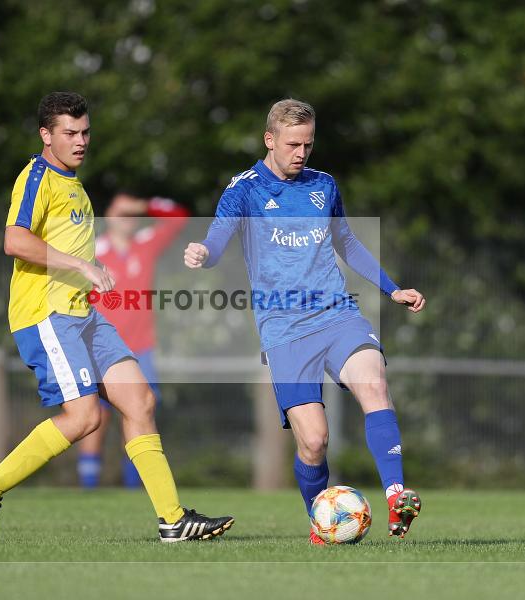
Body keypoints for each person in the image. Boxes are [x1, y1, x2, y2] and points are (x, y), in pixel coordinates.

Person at [0, 91, 233, 543]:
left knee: (140, 400)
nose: (81, 141)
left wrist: (85, 273)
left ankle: (173, 519)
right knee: (85, 417)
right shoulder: (37, 178)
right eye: (70, 133)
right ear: (46, 135)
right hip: (47, 316)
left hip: (83, 314)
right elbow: (13, 241)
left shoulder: (76, 184)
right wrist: (81, 264)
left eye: (85, 132)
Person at [184, 99, 425, 544]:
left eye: (308, 145)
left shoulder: (324, 185)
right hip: (285, 329)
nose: (301, 153)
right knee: (313, 442)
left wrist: (391, 288)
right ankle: (322, 523)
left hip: (337, 313)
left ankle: (396, 497)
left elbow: (347, 241)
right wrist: (204, 252)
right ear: (269, 140)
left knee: (373, 383)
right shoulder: (245, 189)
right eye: (293, 144)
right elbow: (219, 235)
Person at [78, 193, 189, 488]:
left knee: (140, 415)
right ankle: (88, 494)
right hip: (99, 351)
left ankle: (135, 491)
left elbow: (179, 216)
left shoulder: (145, 244)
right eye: (119, 210)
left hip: (141, 351)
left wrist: (142, 205)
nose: (125, 216)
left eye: (130, 212)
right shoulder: (93, 250)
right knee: (93, 421)